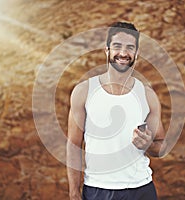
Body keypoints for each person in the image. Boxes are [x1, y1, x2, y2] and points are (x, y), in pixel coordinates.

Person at [67, 22, 166, 200]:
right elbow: (74, 145)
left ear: (136, 53)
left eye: (130, 47)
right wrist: (74, 191)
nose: (123, 53)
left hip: (142, 189)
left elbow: (161, 146)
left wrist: (148, 145)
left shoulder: (147, 95)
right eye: (117, 46)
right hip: (99, 190)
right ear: (107, 50)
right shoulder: (84, 91)